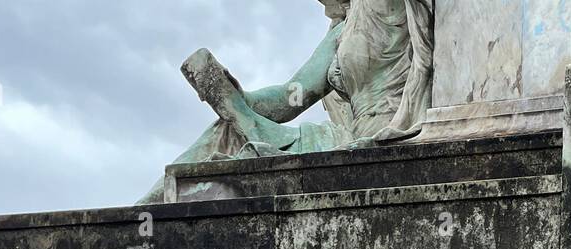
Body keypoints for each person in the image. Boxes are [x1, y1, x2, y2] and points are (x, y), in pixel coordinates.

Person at [141, 0, 434, 202]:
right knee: (226, 130)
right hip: (344, 135)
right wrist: (231, 96)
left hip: (385, 134)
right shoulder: (343, 30)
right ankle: (138, 216)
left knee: (236, 145)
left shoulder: (388, 7)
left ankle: (136, 223)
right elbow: (289, 97)